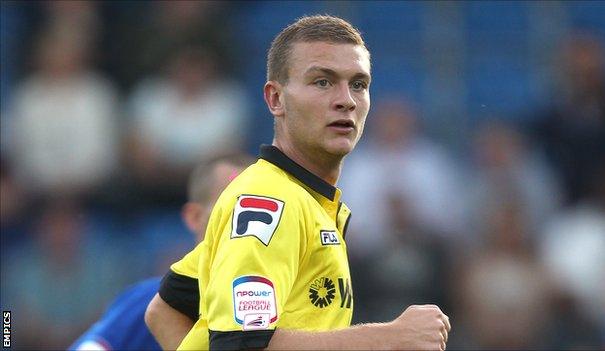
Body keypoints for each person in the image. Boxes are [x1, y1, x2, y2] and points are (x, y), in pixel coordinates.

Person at [146, 15, 451, 350]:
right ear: (276, 99)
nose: (345, 100)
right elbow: (241, 345)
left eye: (359, 84)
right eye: (322, 82)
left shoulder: (306, 200)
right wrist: (390, 337)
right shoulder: (268, 201)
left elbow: (167, 309)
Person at [68, 153, 254, 350]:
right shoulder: (146, 302)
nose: (243, 224)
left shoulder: (277, 306)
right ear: (195, 217)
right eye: (228, 210)